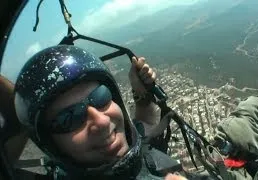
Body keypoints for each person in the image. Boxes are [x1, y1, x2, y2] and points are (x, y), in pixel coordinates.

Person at [13, 45, 183, 180]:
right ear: (52, 145)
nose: (101, 122)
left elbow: (143, 124)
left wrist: (141, 94)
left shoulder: (137, 148)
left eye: (101, 97)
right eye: (70, 119)